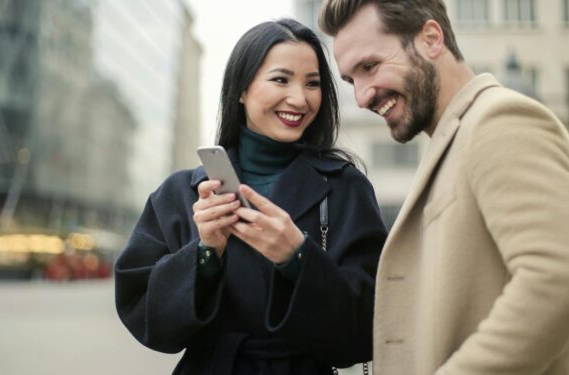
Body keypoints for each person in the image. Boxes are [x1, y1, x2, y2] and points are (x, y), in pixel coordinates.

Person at [318, 1, 569, 373]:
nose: (362, 96)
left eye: (370, 67)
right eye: (351, 80)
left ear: (431, 38)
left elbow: (566, 280)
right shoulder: (456, 136)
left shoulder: (498, 121)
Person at [115, 18, 387, 375]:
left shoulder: (345, 188)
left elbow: (371, 323)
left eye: (313, 83)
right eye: (280, 79)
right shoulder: (182, 192)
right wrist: (205, 253)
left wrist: (298, 256)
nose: (299, 98)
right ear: (241, 89)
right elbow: (146, 317)